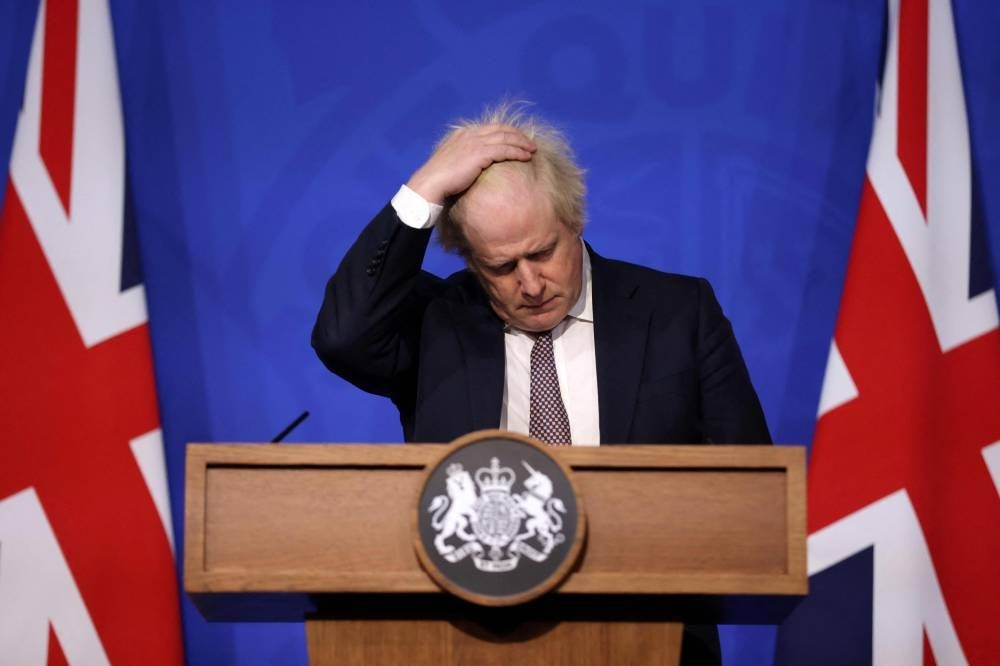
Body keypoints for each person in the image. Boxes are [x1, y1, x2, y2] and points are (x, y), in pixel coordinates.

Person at [312, 102, 771, 664]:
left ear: (574, 221)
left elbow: (751, 490)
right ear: (471, 263)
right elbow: (342, 336)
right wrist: (424, 188)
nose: (530, 283)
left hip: (649, 639)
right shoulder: (438, 325)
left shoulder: (677, 313)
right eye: (501, 268)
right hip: (469, 643)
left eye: (544, 252)